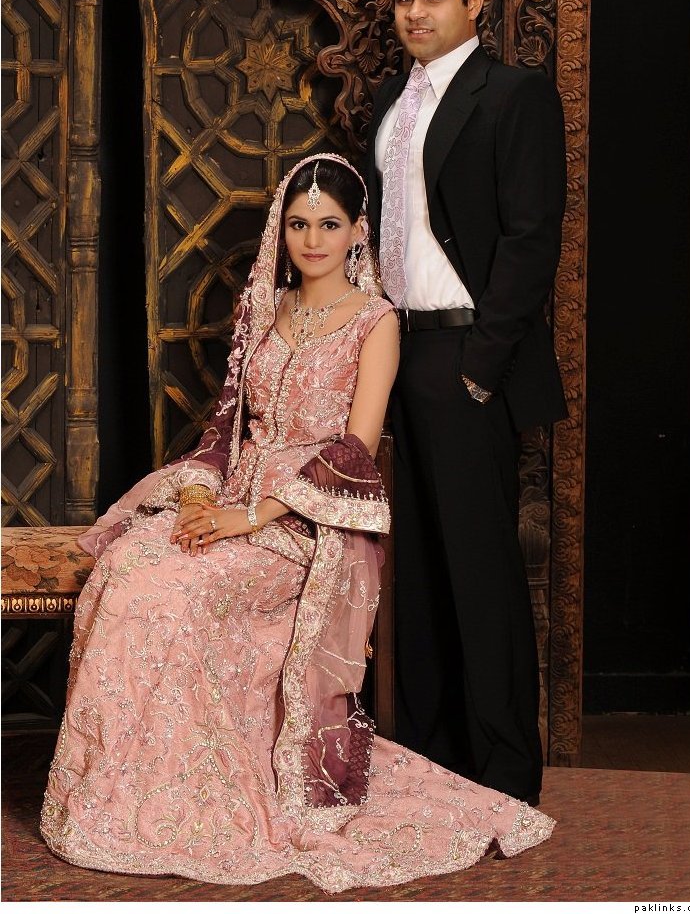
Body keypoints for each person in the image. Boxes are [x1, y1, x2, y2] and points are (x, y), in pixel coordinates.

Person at [40, 154, 554, 894]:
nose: (313, 240)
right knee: (126, 570)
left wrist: (252, 517)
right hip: (231, 499)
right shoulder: (263, 309)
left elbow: (357, 447)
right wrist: (199, 501)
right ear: (281, 232)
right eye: (299, 224)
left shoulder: (376, 322)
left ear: (358, 231)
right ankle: (128, 795)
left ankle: (193, 796)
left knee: (169, 595)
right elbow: (224, 428)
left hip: (307, 522)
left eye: (330, 225)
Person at [365, 0, 568, 807]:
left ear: (475, 1)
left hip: (463, 357)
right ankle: (428, 761)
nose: (415, 13)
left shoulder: (513, 94)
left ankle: (504, 774)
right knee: (413, 570)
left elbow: (531, 240)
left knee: (481, 570)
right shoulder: (388, 100)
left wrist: (481, 367)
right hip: (395, 351)